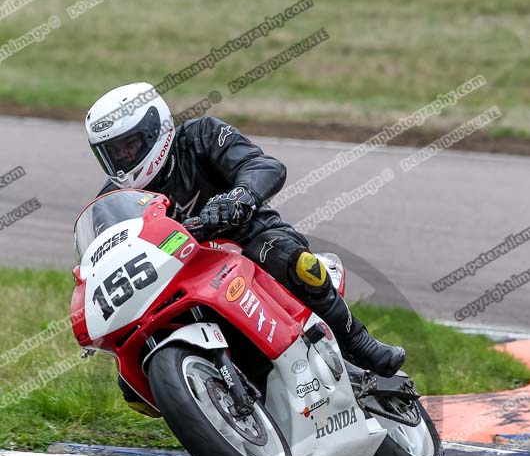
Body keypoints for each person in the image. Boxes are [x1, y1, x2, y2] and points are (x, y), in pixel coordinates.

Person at [85, 82, 405, 409]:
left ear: (156, 130)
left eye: (129, 145)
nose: (122, 159)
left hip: (247, 237)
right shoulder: (113, 201)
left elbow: (265, 166)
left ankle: (358, 342)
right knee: (132, 387)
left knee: (296, 263)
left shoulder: (201, 136)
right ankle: (210, 408)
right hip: (180, 277)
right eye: (112, 153)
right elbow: (106, 256)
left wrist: (238, 197)